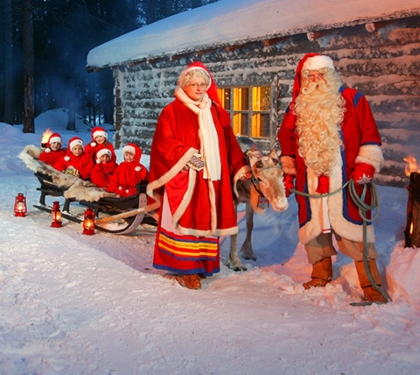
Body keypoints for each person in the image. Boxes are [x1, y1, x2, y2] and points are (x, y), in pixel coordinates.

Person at [277, 53, 387, 303]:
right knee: (314, 230)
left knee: (356, 233)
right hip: (310, 181)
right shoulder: (297, 105)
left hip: (346, 179)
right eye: (310, 76)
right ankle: (320, 274)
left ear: (331, 74)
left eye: (321, 75)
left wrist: (366, 165)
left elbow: (370, 133)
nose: (316, 80)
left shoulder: (353, 99)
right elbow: (287, 140)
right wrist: (288, 171)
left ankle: (372, 286)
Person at [147, 61, 251, 290]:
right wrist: (188, 157)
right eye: (193, 83)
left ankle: (202, 265)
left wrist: (240, 166)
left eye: (203, 84)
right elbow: (163, 143)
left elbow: (229, 143)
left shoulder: (216, 112)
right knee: (187, 220)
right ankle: (186, 269)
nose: (199, 88)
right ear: (184, 85)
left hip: (213, 178)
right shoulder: (172, 111)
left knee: (206, 221)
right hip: (186, 178)